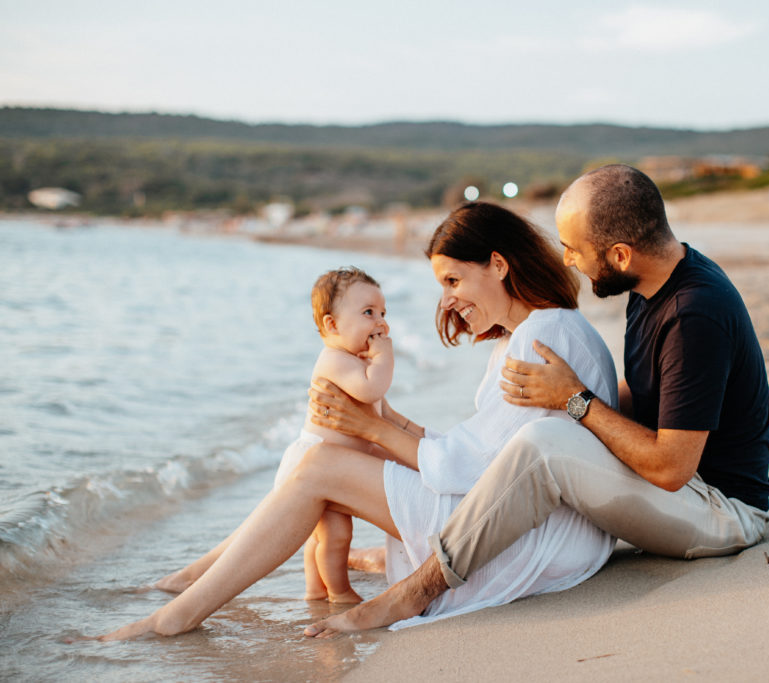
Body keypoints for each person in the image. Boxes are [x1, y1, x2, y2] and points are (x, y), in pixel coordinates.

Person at [99, 201, 618, 640]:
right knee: (336, 456)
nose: (448, 300)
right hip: (542, 529)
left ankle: (177, 614)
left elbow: (475, 471)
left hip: (528, 541)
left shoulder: (541, 338)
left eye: (453, 279)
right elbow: (487, 452)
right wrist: (387, 420)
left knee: (322, 464)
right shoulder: (543, 331)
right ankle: (194, 577)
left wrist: (373, 428)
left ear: (499, 265)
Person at [306, 164, 769, 634]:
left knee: (545, 442)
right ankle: (413, 556)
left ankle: (413, 593)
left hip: (721, 511)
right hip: (680, 491)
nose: (567, 260)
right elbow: (657, 397)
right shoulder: (652, 287)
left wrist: (575, 400)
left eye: (576, 249)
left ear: (621, 254)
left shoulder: (693, 315)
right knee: (545, 438)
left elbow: (672, 468)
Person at [153, 267, 392, 604]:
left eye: (383, 313)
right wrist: (384, 358)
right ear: (332, 325)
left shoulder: (353, 360)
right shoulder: (335, 359)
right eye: (368, 313)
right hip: (312, 463)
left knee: (321, 536)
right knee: (336, 535)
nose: (380, 323)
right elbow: (371, 391)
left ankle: (315, 590)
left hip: (327, 465)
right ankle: (339, 592)